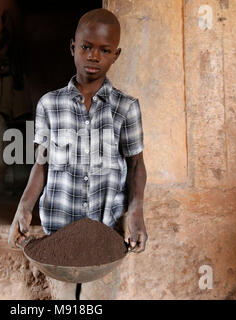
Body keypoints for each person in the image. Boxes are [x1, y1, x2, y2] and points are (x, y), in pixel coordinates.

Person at [8, 8, 147, 300]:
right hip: (58, 230)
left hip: (106, 231)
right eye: (86, 47)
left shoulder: (126, 107)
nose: (94, 56)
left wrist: (135, 211)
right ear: (73, 47)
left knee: (98, 300)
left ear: (116, 54)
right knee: (63, 301)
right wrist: (24, 206)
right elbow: (41, 163)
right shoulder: (49, 104)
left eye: (104, 49)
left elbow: (136, 164)